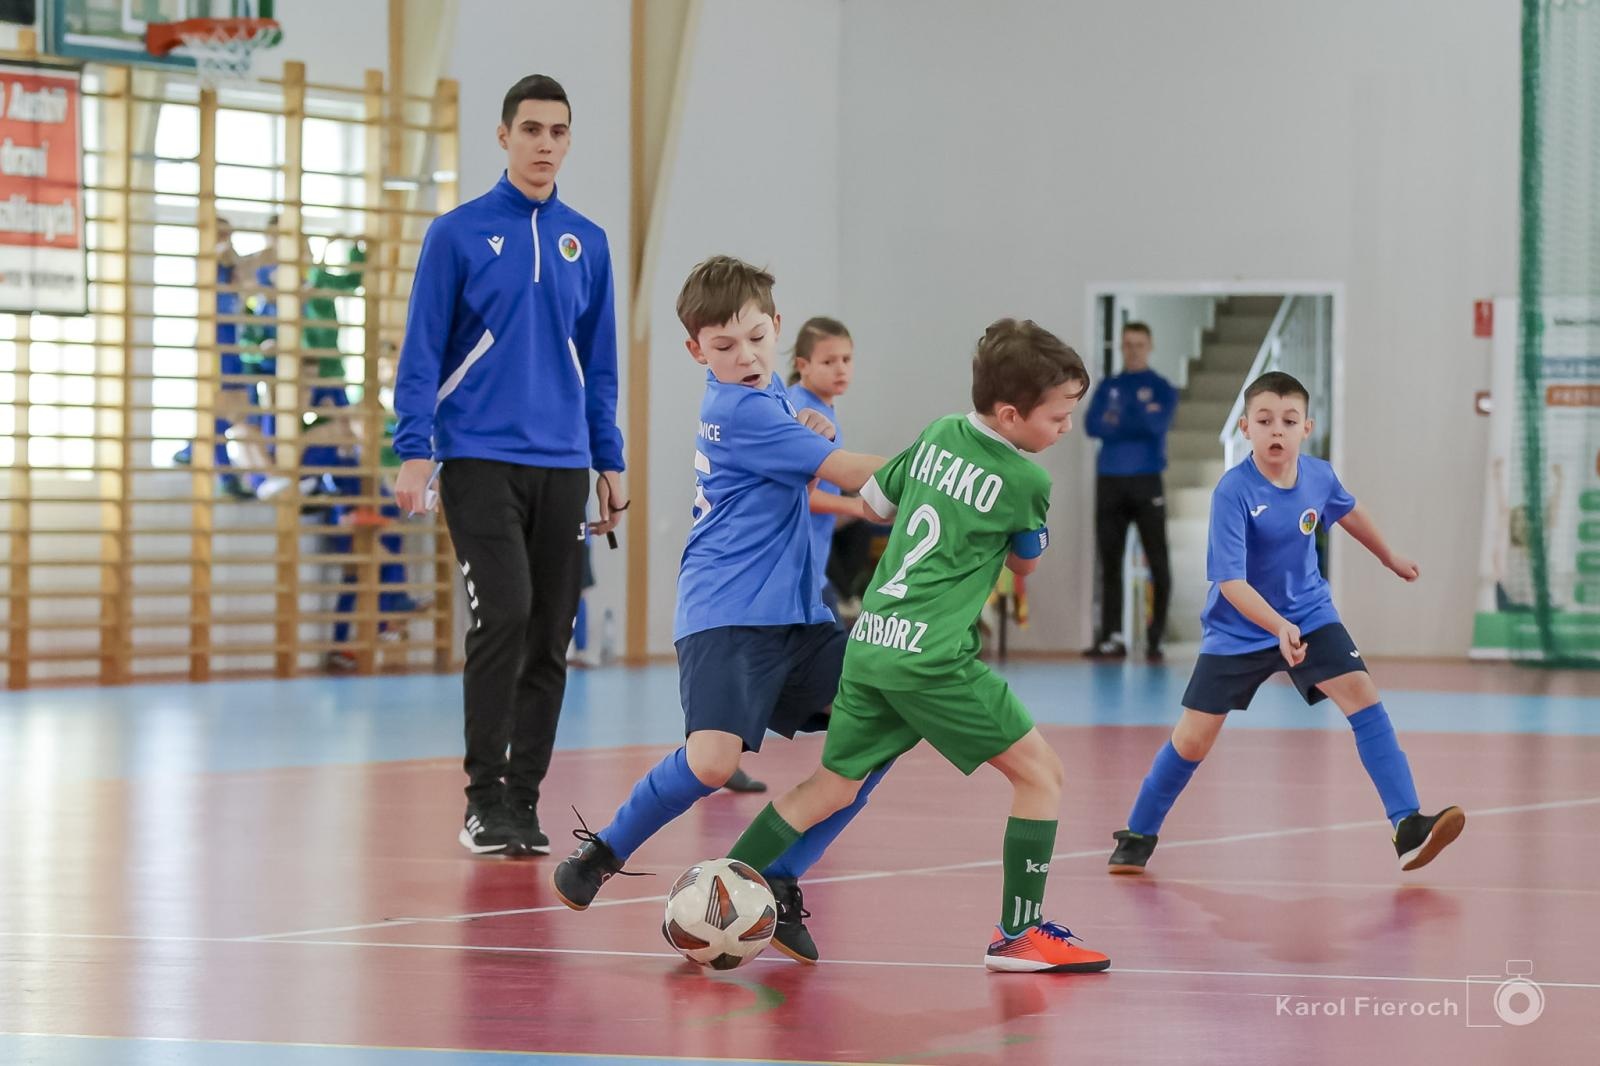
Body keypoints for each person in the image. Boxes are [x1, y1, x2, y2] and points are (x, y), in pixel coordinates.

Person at [720, 319, 1113, 974]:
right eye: (1058, 416)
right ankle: (1019, 935)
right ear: (1011, 415)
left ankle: (717, 894)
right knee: (1041, 775)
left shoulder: (938, 432)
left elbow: (876, 504)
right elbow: (1025, 565)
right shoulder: (1027, 482)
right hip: (933, 657)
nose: (1066, 428)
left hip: (872, 641)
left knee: (832, 786)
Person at [550, 256, 885, 963]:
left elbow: (802, 441)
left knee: (887, 718)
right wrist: (952, 465)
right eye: (724, 346)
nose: (746, 357)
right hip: (726, 613)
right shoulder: (734, 409)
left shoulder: (770, 396)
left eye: (757, 339)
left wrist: (803, 419)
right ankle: (605, 850)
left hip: (799, 619)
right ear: (695, 350)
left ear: (777, 328)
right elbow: (851, 475)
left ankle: (781, 874)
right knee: (711, 763)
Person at [392, 75, 627, 858]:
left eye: (558, 131)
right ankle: (481, 800)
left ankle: (521, 803)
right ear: (504, 136)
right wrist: (413, 450)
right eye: (531, 129)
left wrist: (609, 459)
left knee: (552, 632)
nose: (544, 144)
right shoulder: (456, 234)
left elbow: (600, 364)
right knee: (507, 612)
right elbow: (422, 348)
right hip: (477, 459)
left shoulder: (587, 242)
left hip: (563, 465)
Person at [1106, 371, 1465, 876]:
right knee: (1193, 739)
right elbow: (1231, 583)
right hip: (1238, 628)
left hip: (1310, 615)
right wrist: (1276, 627)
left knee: (1362, 695)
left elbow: (1349, 510)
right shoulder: (1232, 492)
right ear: (1245, 428)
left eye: (1290, 421)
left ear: (1306, 428)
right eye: (1265, 420)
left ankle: (1407, 825)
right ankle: (1139, 832)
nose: (1278, 430)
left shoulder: (1318, 476)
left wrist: (1389, 555)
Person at [1082, 322, 1178, 662]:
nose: (1133, 350)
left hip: (1147, 480)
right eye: (1127, 344)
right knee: (1110, 562)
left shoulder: (1162, 388)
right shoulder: (1109, 386)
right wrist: (1136, 416)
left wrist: (1118, 419)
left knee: (1158, 561)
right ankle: (1112, 636)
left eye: (1139, 344)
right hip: (1110, 480)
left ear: (1149, 347)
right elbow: (1092, 425)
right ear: (1121, 348)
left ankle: (1155, 637)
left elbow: (1157, 425)